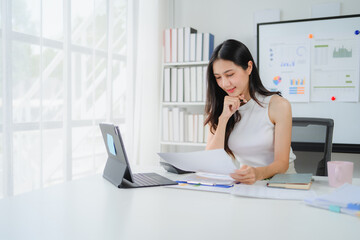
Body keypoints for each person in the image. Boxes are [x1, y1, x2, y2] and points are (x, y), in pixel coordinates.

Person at [205, 39, 296, 185]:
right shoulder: (222, 108)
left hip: (282, 183)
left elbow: (282, 164)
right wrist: (223, 119)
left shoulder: (278, 105)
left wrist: (257, 173)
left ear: (248, 67)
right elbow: (210, 161)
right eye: (218, 78)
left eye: (230, 75)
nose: (224, 84)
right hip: (248, 184)